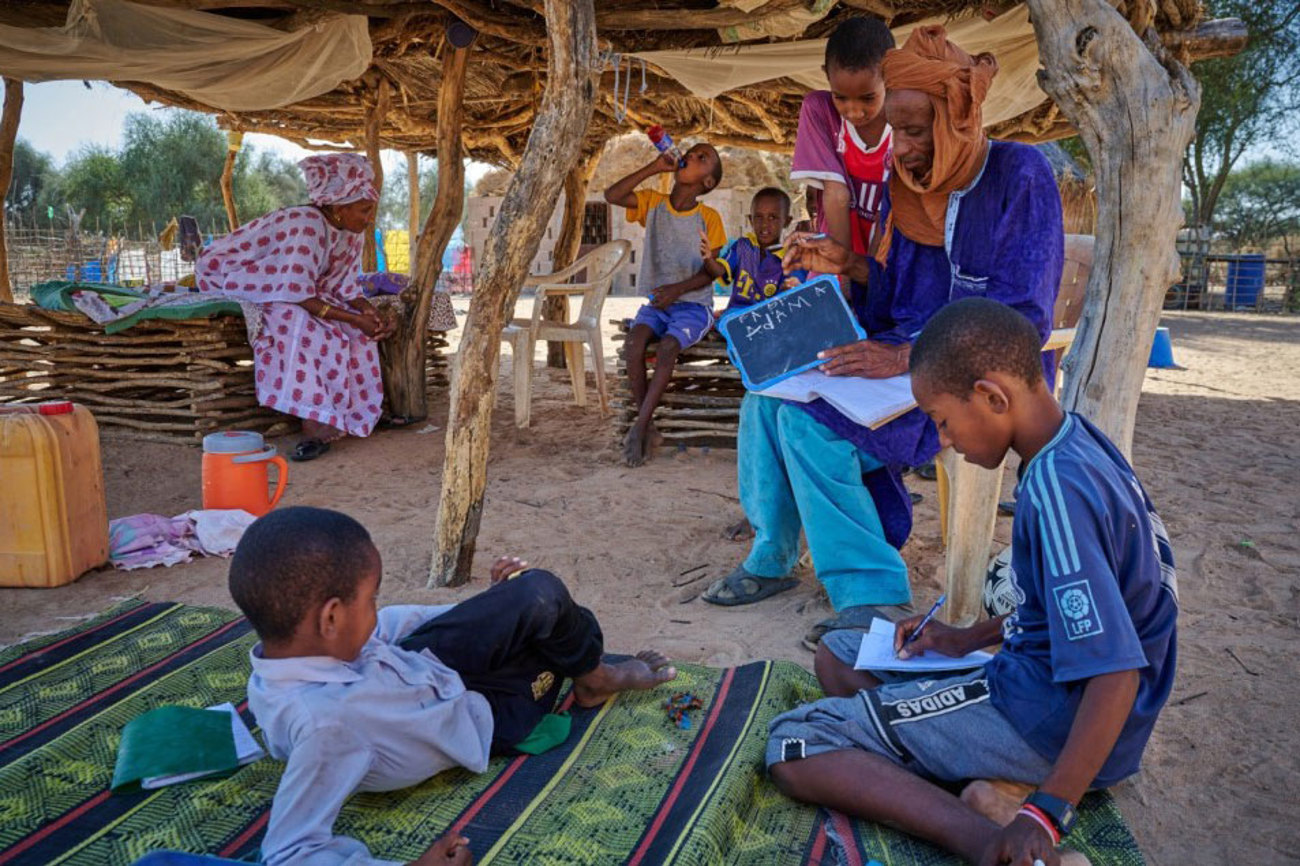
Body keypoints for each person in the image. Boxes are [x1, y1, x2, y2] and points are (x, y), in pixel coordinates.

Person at [766, 297, 1178, 866]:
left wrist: (1046, 814)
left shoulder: (1056, 495)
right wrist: (963, 639)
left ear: (991, 397)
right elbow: (1082, 609)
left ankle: (993, 841)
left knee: (796, 741)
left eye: (941, 419)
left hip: (1053, 716)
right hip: (1054, 690)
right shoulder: (1076, 444)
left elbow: (1115, 671)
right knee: (840, 655)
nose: (945, 438)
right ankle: (980, 781)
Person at [703, 25, 1065, 655]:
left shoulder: (1020, 175)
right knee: (764, 400)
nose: (900, 147)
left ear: (958, 118)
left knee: (810, 428)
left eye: (915, 130)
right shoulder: (910, 188)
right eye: (895, 131)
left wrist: (907, 354)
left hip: (975, 384)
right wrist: (845, 263)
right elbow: (896, 291)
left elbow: (1022, 318)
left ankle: (871, 589)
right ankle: (773, 555)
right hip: (899, 360)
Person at [230, 506, 677, 866]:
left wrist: (489, 606)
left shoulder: (294, 652)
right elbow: (289, 851)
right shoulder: (326, 726)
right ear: (330, 618)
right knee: (555, 619)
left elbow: (395, 626)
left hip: (425, 664)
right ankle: (596, 678)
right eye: (370, 599)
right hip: (483, 713)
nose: (375, 608)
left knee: (538, 598)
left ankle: (585, 667)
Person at [196, 154, 396, 462]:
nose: (369, 218)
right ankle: (314, 422)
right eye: (365, 210)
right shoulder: (307, 224)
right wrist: (355, 318)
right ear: (340, 208)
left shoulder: (350, 231)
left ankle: (354, 413)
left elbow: (344, 286)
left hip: (297, 287)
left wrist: (368, 313)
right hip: (242, 277)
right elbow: (296, 293)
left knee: (356, 334)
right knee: (298, 324)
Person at [605, 142, 727, 466]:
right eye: (694, 152)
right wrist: (654, 168)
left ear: (708, 183)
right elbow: (612, 196)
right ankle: (649, 426)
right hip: (658, 304)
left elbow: (710, 271)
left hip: (693, 306)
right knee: (634, 342)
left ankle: (639, 428)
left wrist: (677, 290)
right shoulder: (653, 204)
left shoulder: (708, 218)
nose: (692, 156)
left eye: (703, 159)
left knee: (669, 346)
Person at [789, 16, 894, 259]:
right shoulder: (819, 110)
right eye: (841, 98)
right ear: (827, 76)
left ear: (890, 75)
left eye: (868, 98)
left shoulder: (905, 120)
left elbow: (888, 213)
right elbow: (836, 195)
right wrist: (845, 272)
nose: (854, 111)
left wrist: (868, 279)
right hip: (837, 254)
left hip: (888, 261)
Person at [703, 187, 806, 312]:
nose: (764, 224)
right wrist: (708, 258)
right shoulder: (742, 247)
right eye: (758, 217)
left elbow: (794, 287)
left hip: (771, 319)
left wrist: (790, 287)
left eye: (772, 217)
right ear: (750, 220)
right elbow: (720, 271)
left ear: (787, 221)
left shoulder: (791, 257)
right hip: (737, 315)